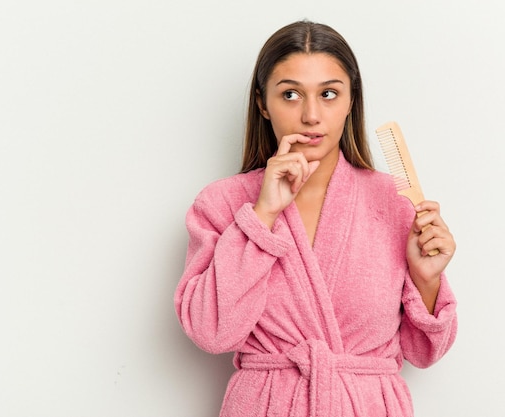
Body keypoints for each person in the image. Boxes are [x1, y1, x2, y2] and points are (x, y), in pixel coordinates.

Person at [174, 20, 457, 417]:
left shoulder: (394, 202)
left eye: (328, 94)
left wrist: (427, 281)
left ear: (350, 101)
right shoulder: (222, 203)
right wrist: (263, 216)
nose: (311, 115)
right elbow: (211, 332)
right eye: (290, 94)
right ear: (262, 103)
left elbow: (423, 353)